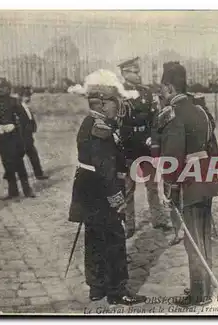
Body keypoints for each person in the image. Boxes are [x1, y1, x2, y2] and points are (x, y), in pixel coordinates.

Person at [68, 70, 147, 305]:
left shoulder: (93, 122)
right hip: (102, 190)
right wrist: (116, 197)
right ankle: (117, 289)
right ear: (102, 103)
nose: (118, 108)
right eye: (115, 103)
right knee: (113, 238)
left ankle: (97, 286)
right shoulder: (100, 127)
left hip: (88, 190)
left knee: (94, 237)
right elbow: (105, 168)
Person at [157, 61, 218, 307]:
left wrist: (171, 188)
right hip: (205, 179)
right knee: (203, 236)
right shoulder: (201, 111)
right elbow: (212, 147)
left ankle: (200, 294)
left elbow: (172, 158)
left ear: (170, 87)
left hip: (187, 184)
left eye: (163, 87)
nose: (162, 92)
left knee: (192, 240)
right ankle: (205, 287)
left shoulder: (174, 114)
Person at [117, 57, 170, 238]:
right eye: (135, 71)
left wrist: (152, 137)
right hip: (128, 145)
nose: (139, 75)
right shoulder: (118, 93)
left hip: (145, 145)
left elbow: (154, 119)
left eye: (139, 71)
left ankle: (158, 219)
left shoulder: (147, 93)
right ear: (124, 73)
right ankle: (129, 224)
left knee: (152, 185)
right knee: (128, 188)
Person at [0, 77, 35, 199]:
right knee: (6, 164)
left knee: (19, 163)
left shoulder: (15, 102)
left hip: (15, 137)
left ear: (8, 88)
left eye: (3, 87)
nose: (0, 90)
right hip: (0, 138)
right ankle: (12, 191)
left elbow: (24, 119)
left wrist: (14, 125)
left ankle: (27, 189)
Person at [16, 86, 49, 180]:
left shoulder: (27, 107)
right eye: (26, 96)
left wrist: (33, 128)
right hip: (22, 137)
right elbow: (20, 123)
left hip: (28, 136)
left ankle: (38, 174)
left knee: (33, 156)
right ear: (21, 96)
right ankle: (14, 175)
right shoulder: (18, 107)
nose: (28, 98)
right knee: (19, 157)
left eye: (29, 96)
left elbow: (30, 119)